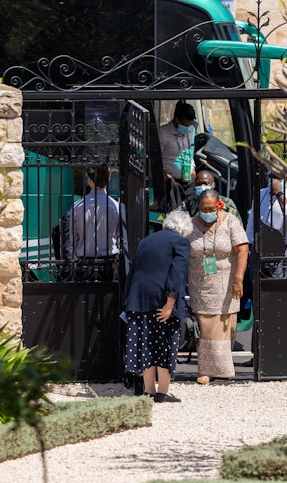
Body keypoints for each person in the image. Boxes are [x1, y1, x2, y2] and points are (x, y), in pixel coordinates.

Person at [123, 209, 193, 403]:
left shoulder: (147, 240)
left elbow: (134, 269)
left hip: (139, 297)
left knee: (146, 342)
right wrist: (170, 303)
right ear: (184, 229)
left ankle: (148, 391)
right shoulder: (180, 242)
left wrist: (128, 299)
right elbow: (177, 274)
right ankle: (162, 392)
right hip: (161, 297)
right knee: (164, 343)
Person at [187, 188, 249, 385]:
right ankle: (206, 370)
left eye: (211, 208)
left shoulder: (230, 221)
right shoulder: (191, 224)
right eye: (204, 209)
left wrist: (238, 279)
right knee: (205, 328)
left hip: (226, 284)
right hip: (200, 284)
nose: (208, 212)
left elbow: (243, 249)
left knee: (222, 326)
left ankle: (221, 368)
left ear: (218, 205)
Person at [245, 170, 287, 278]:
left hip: (280, 250)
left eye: (277, 177)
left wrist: (279, 194)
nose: (274, 181)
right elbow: (252, 222)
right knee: (257, 287)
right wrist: (249, 245)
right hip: (259, 249)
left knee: (278, 288)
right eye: (271, 176)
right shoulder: (260, 194)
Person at [67, 165, 120, 279]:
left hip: (85, 263)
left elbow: (72, 238)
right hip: (109, 262)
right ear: (108, 179)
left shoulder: (77, 207)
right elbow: (120, 236)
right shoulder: (116, 207)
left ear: (90, 180)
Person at [156, 101, 197, 211]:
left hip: (188, 178)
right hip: (171, 182)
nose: (187, 128)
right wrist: (162, 171)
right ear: (176, 120)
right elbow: (155, 158)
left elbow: (190, 151)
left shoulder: (191, 130)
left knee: (191, 209)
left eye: (189, 125)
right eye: (184, 125)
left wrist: (192, 166)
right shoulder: (163, 133)